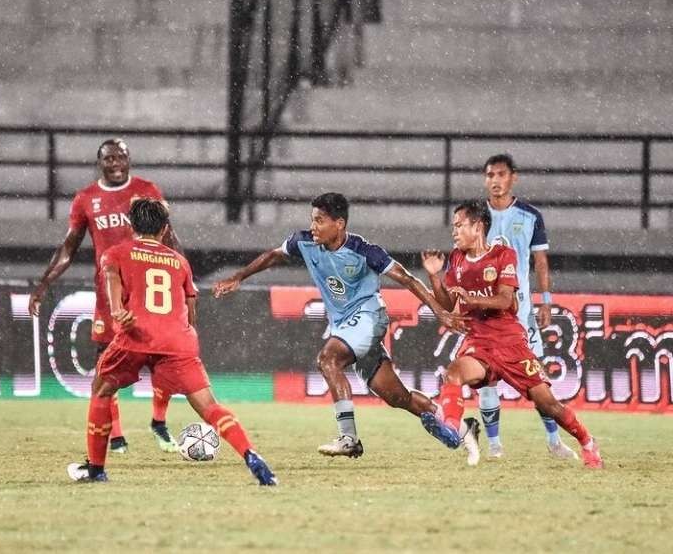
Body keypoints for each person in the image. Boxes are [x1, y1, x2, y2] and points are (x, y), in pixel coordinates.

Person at [213, 192, 480, 464]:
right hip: (346, 325)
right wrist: (239, 276)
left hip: (368, 316)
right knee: (397, 397)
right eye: (312, 220)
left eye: (320, 220)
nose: (313, 226)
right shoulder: (303, 241)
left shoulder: (364, 251)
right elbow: (273, 256)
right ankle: (460, 426)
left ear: (339, 224)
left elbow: (408, 279)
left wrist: (440, 312)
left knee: (327, 359)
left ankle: (348, 438)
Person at [67, 198, 277, 485]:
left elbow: (113, 295)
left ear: (131, 226)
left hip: (136, 336)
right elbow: (191, 314)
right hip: (178, 341)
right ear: (165, 229)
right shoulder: (179, 262)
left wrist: (119, 313)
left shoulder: (115, 254)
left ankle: (96, 470)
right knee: (209, 407)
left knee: (102, 390)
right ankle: (251, 454)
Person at [419, 200, 603, 468]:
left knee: (547, 404)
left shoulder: (503, 255)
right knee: (454, 373)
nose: (454, 231)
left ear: (478, 226)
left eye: (459, 225)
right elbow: (449, 306)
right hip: (479, 342)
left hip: (510, 342)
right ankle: (452, 427)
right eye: (453, 226)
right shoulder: (457, 259)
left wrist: (470, 298)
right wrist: (435, 278)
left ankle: (587, 441)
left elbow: (506, 301)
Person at [29, 138, 179, 454]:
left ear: (128, 159)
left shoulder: (147, 189)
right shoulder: (87, 199)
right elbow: (67, 249)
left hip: (147, 292)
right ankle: (117, 437)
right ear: (100, 162)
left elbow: (170, 236)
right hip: (109, 295)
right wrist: (42, 286)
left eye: (119, 157)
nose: (114, 163)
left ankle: (159, 423)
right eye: (108, 158)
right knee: (105, 365)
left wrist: (180, 275)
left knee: (163, 361)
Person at [478, 153, 575, 459]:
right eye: (490, 175)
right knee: (487, 379)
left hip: (520, 314)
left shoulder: (530, 215)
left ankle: (554, 440)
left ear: (513, 177)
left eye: (501, 175)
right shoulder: (476, 216)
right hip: (484, 312)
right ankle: (494, 446)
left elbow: (541, 262)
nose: (495, 181)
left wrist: (546, 302)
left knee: (536, 379)